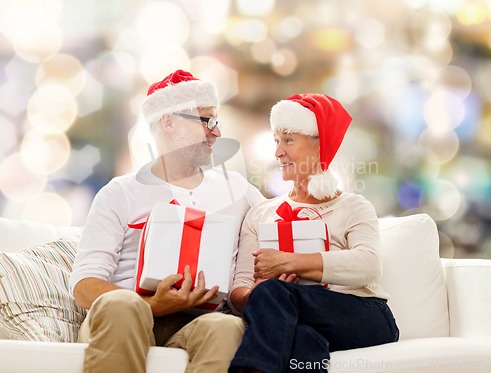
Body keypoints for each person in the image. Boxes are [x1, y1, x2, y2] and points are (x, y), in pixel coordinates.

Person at [69, 69, 264, 373]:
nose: (217, 133)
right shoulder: (120, 192)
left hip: (193, 324)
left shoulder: (237, 190)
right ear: (169, 122)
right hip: (124, 317)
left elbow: (276, 223)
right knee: (123, 306)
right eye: (207, 120)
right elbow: (84, 287)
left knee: (225, 328)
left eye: (217, 122)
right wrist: (150, 305)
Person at [228, 93, 399, 373]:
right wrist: (254, 296)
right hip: (293, 315)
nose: (278, 152)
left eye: (289, 140)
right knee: (303, 337)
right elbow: (240, 288)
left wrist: (289, 263)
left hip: (364, 315)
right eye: (276, 140)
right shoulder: (260, 213)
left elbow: (369, 264)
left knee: (276, 294)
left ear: (321, 145)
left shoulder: (353, 206)